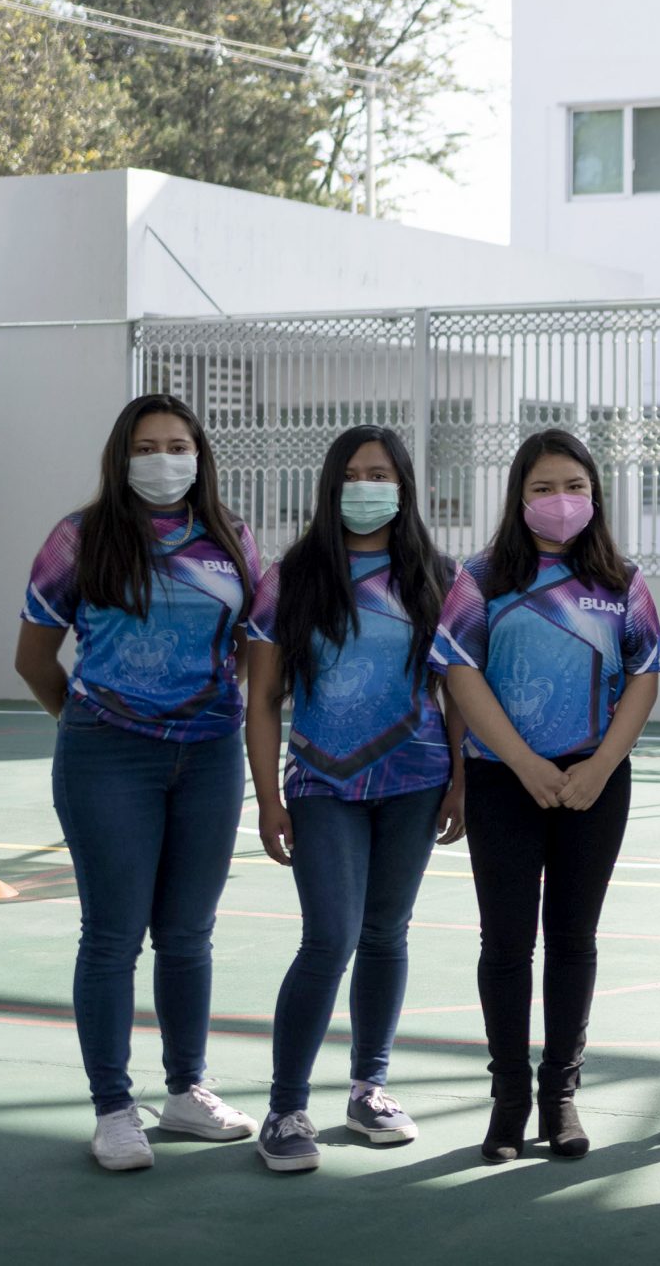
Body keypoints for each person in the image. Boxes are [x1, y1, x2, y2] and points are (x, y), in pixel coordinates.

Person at [13, 392, 262, 1171]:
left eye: (178, 444)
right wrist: (90, 725)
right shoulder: (78, 538)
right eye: (148, 446)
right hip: (107, 755)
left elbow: (258, 646)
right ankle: (114, 1107)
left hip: (210, 757)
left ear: (200, 454)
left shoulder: (233, 538)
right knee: (113, 935)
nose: (165, 459)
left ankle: (186, 1090)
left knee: (188, 934)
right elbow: (34, 657)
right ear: (124, 457)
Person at [242, 426, 480, 1173]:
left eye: (380, 473)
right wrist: (267, 795)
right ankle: (285, 1107)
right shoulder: (293, 576)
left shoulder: (437, 574)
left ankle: (369, 1086)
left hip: (414, 779)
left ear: (404, 486)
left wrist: (460, 778)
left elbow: (457, 688)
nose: (365, 485)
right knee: (329, 936)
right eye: (351, 474)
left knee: (385, 932)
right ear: (329, 486)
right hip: (322, 783)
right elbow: (264, 698)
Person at [440, 428, 660, 1162]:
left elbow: (644, 675)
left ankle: (559, 1097)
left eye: (573, 485)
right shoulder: (479, 579)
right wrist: (521, 761)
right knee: (505, 943)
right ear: (518, 496)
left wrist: (602, 762)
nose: (560, 501)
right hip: (506, 780)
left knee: (574, 940)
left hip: (594, 781)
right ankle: (507, 1101)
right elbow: (461, 673)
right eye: (543, 488)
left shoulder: (622, 581)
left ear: (594, 495)